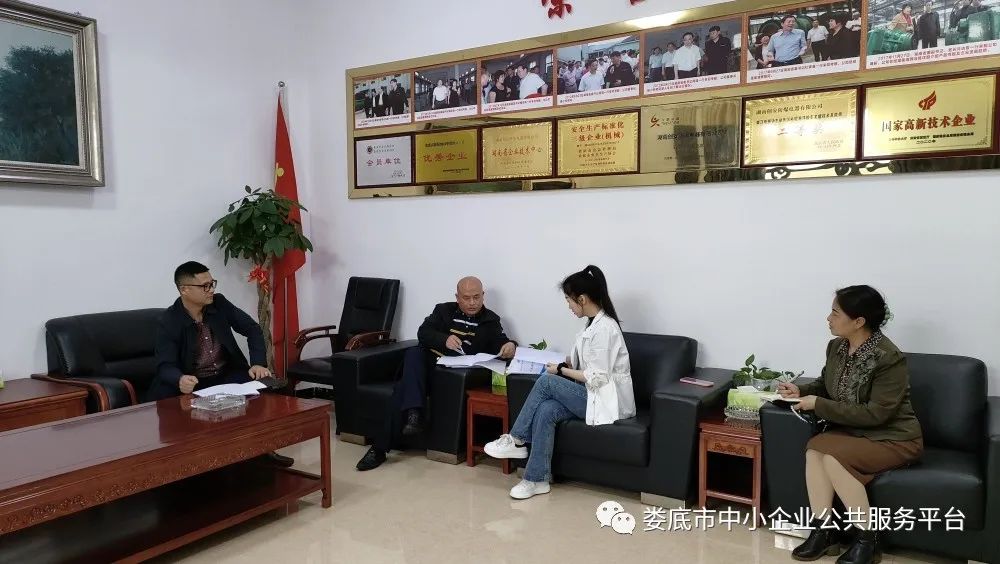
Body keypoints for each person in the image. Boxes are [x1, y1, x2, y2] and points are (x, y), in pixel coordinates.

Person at [778, 285, 922, 564]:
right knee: (815, 450)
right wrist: (800, 390)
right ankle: (824, 532)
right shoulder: (837, 347)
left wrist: (818, 404)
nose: (828, 318)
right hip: (857, 433)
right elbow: (825, 385)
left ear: (858, 321)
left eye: (835, 313)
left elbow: (876, 414)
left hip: (895, 437)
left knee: (834, 459)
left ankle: (868, 540)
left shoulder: (888, 358)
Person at [484, 265, 635, 500]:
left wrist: (561, 370)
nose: (568, 306)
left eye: (568, 300)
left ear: (582, 299)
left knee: (547, 382)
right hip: (592, 395)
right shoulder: (593, 324)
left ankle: (516, 439)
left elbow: (597, 376)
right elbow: (587, 363)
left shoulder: (605, 328)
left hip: (608, 402)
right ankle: (536, 480)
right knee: (546, 409)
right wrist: (561, 362)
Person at [356, 277, 517, 471]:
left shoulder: (491, 320)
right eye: (467, 298)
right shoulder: (443, 311)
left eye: (476, 297)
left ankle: (386, 441)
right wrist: (444, 339)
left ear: (483, 296)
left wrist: (510, 345)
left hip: (450, 378)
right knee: (414, 353)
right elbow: (423, 333)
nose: (472, 302)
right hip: (425, 369)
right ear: (457, 297)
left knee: (402, 389)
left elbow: (501, 342)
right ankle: (409, 417)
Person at [149, 261, 271, 402]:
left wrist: (258, 363)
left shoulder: (219, 303)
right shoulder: (169, 320)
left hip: (226, 375)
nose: (211, 290)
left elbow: (252, 329)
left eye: (212, 284)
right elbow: (165, 365)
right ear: (184, 290)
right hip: (194, 381)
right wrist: (179, 379)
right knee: (169, 397)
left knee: (265, 388)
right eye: (205, 286)